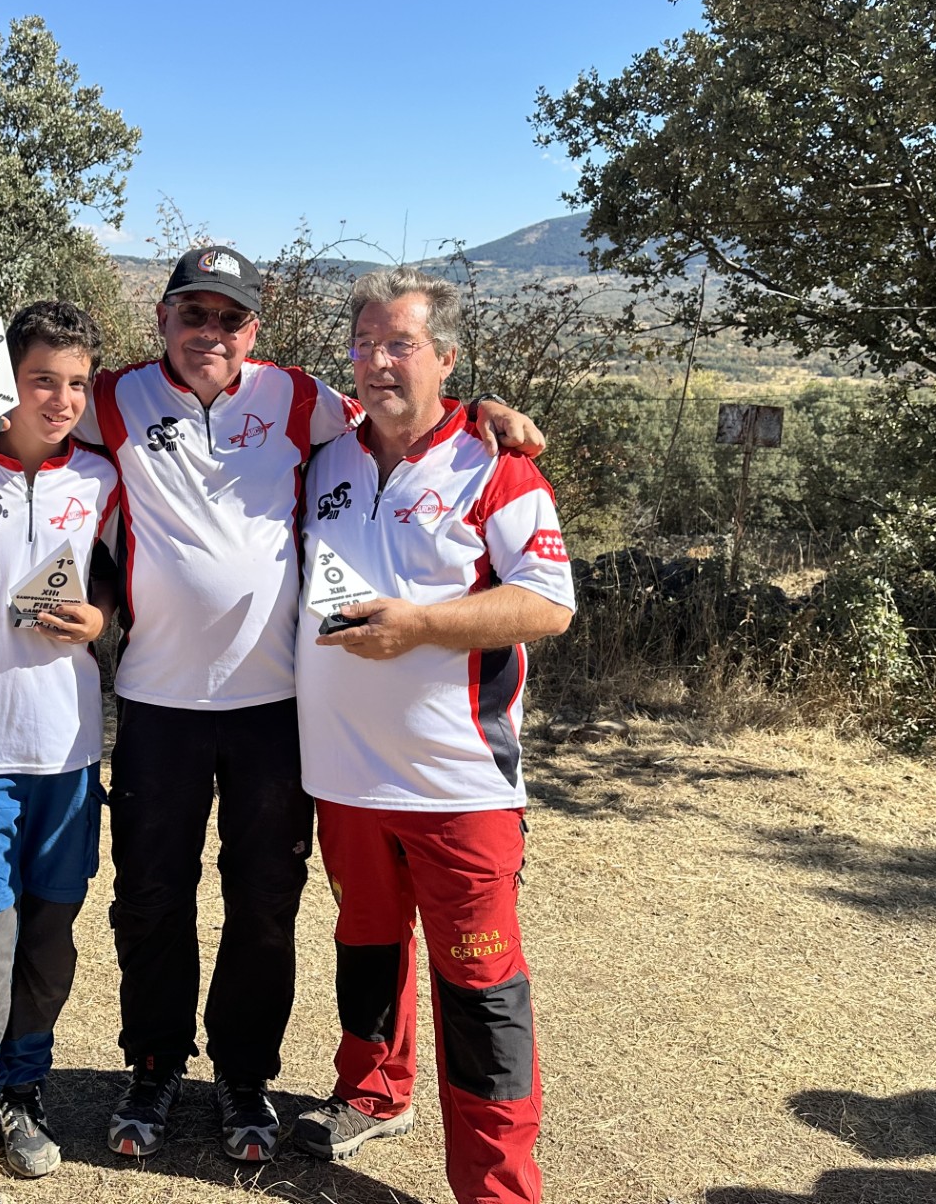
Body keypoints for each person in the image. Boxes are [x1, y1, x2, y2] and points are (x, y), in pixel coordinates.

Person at [73, 246, 545, 1162]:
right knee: (150, 899)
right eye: (193, 313)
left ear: (254, 329)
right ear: (163, 320)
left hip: (276, 711)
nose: (210, 332)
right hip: (156, 703)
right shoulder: (112, 397)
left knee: (264, 905)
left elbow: (408, 409)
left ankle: (244, 1075)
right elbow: (19, 411)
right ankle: (154, 1065)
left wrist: (486, 409)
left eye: (230, 318)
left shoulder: (300, 398)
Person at [291, 267, 574, 1204]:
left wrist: (421, 625)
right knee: (367, 948)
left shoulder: (496, 464)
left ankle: (497, 1187)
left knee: (481, 992)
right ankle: (373, 1093)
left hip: (459, 783)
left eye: (400, 344)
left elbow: (547, 604)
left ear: (446, 358)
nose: (378, 361)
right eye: (365, 343)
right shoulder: (323, 454)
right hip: (343, 774)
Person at [0, 300, 120, 1189]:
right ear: (5, 381)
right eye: (42, 379)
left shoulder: (103, 478)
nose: (62, 400)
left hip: (70, 752)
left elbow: (117, 579)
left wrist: (100, 618)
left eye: (77, 383)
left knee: (49, 937)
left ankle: (23, 1088)